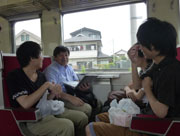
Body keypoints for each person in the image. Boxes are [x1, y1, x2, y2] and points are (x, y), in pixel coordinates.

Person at [85, 17, 180, 136]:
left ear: (153, 46)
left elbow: (161, 112)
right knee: (101, 118)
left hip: (156, 128)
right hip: (148, 118)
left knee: (91, 128)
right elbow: (138, 84)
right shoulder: (159, 64)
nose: (139, 47)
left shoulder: (169, 71)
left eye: (141, 43)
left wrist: (148, 91)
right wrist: (134, 62)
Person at [7, 41, 88, 136]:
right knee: (67, 125)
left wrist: (54, 92)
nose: (42, 58)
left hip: (46, 111)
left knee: (82, 118)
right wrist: (45, 86)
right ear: (32, 58)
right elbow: (25, 103)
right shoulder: (15, 76)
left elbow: (46, 99)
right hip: (30, 120)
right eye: (40, 54)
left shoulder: (40, 75)